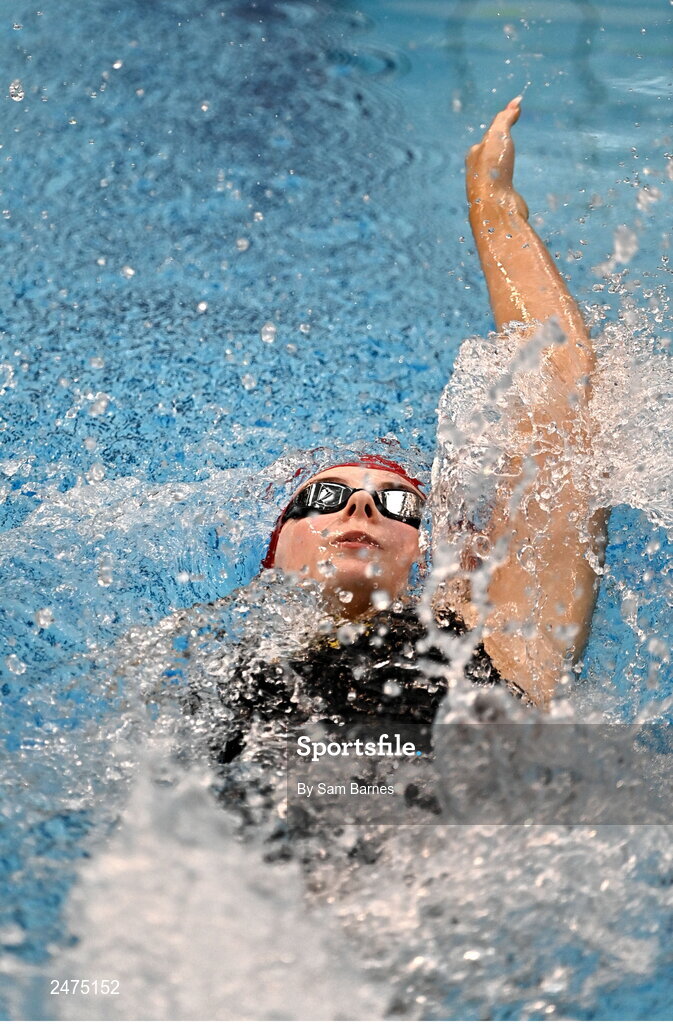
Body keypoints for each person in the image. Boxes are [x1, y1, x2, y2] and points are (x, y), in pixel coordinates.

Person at [253, 96, 604, 714]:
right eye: (325, 498)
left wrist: (492, 210)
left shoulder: (494, 645)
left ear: (428, 559)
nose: (360, 504)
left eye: (398, 506)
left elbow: (562, 399)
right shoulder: (201, 662)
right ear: (275, 549)